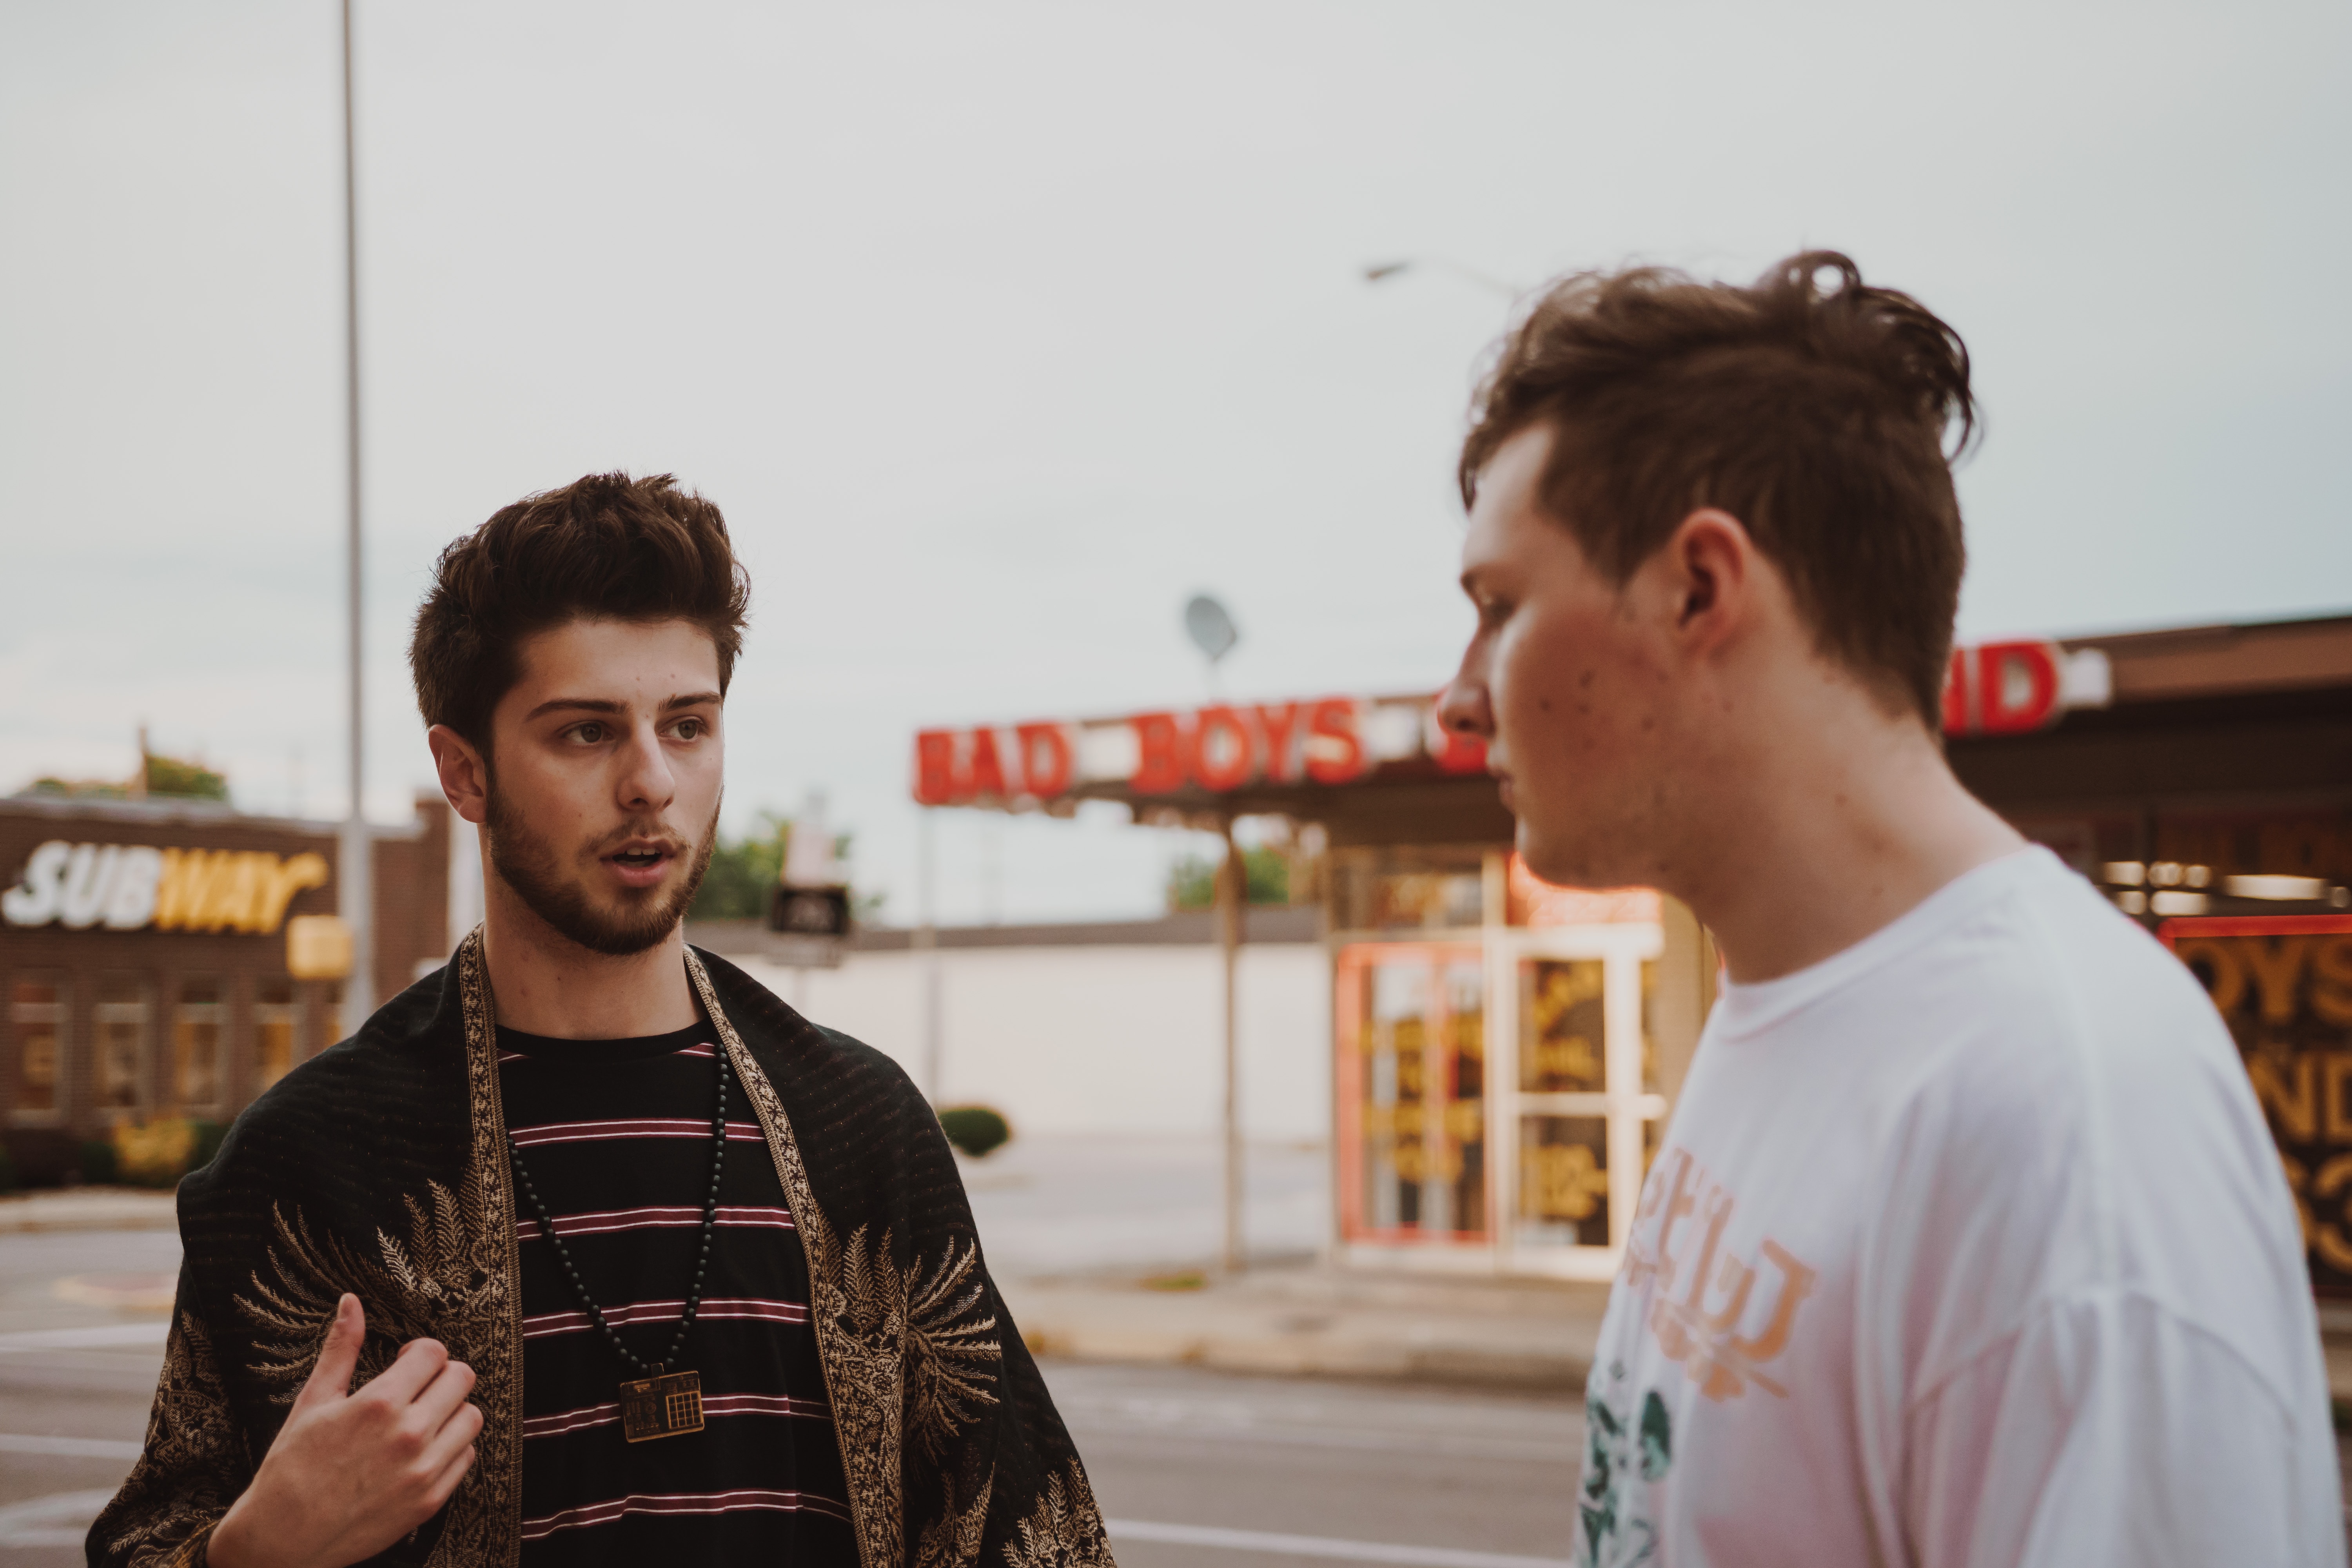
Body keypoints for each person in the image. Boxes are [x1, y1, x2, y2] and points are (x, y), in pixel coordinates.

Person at [1436, 254, 2343, 1566]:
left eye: (1500, 607)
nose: (1460, 701)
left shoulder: (2064, 1121)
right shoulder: (1791, 1009)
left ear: (1701, 588)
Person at [92, 474, 1114, 1568]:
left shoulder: (860, 1129)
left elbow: (1034, 1534)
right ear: (464, 771)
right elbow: (154, 1537)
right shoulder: (317, 1162)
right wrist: (254, 1555)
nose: (651, 782)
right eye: (585, 734)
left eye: (688, 726)